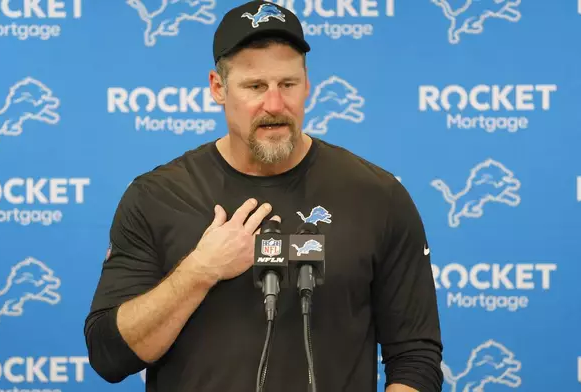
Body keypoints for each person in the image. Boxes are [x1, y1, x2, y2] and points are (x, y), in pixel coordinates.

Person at [83, 1, 443, 391]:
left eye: (287, 85)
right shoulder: (157, 196)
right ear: (218, 88)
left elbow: (415, 357)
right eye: (255, 87)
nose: (274, 105)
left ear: (308, 86)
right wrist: (200, 271)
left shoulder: (378, 196)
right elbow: (109, 355)